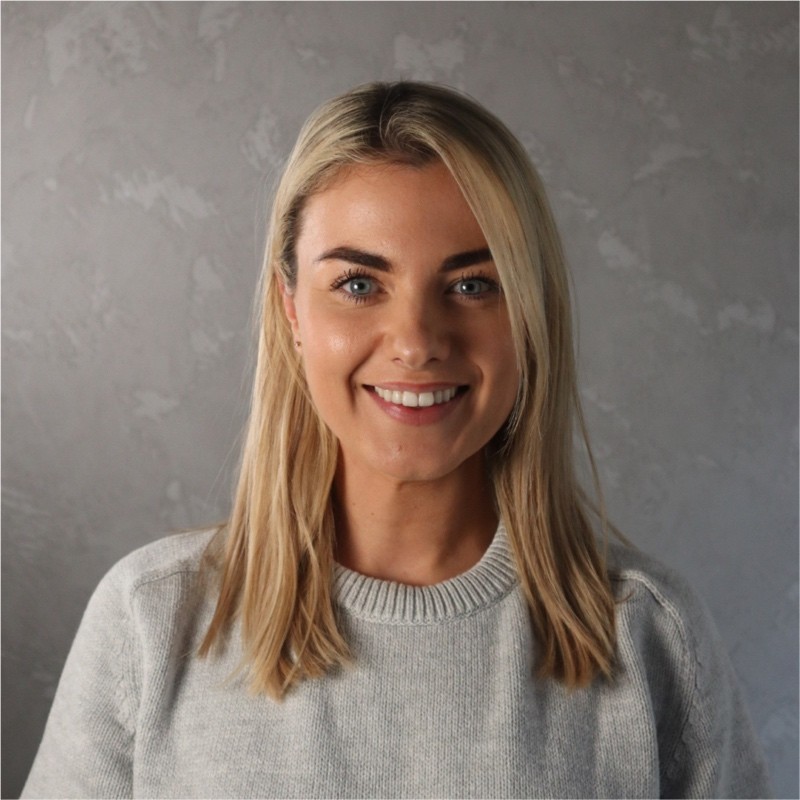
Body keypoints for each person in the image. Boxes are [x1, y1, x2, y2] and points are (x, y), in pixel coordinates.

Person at [22, 81, 771, 799]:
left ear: (531, 313)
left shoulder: (650, 635)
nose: (416, 343)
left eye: (473, 285)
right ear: (291, 308)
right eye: (358, 284)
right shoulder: (151, 621)